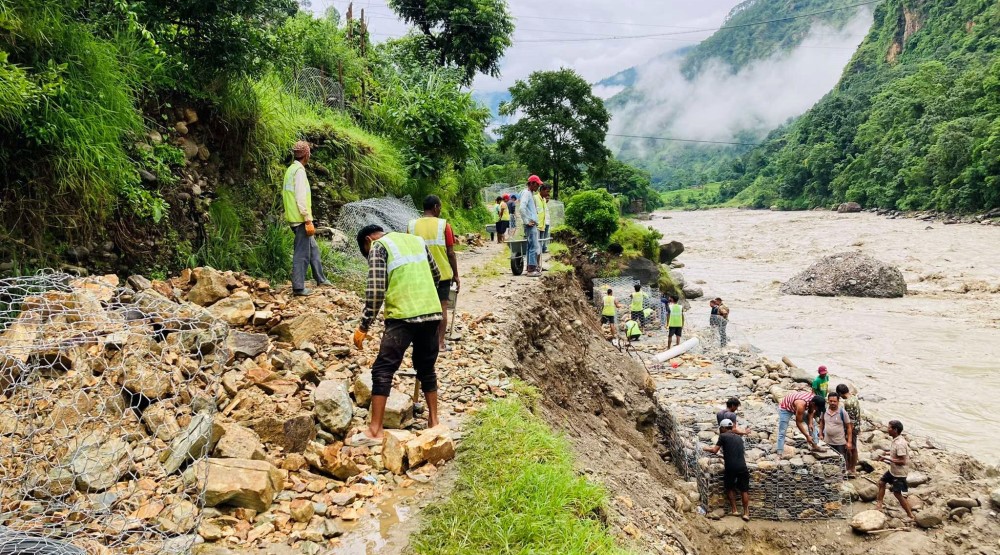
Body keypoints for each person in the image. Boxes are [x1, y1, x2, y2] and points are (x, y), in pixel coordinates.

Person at [350, 225, 442, 446]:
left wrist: (364, 326)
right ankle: (434, 422)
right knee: (426, 367)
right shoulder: (416, 240)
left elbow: (375, 292)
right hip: (431, 311)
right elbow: (436, 275)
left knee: (383, 368)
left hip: (403, 315)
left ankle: (375, 430)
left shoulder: (378, 247)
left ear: (368, 240)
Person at [407, 195, 460, 351]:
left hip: (420, 274)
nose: (440, 210)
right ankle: (440, 343)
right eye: (440, 207)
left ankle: (421, 343)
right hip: (442, 274)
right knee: (442, 308)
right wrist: (456, 275)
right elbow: (451, 253)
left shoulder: (411, 225)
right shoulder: (444, 225)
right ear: (436, 207)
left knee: (421, 308)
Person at [282, 141, 329, 296]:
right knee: (302, 254)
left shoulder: (291, 169)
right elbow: (301, 198)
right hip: (300, 219)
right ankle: (298, 287)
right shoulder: (300, 172)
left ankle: (321, 279)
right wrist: (308, 219)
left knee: (313, 248)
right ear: (307, 155)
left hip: (294, 217)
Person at [703, 419, 751, 521]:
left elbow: (715, 450)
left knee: (729, 487)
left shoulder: (723, 436)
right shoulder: (739, 438)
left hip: (730, 467)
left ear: (724, 428)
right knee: (744, 490)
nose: (720, 430)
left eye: (721, 428)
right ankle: (746, 513)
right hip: (742, 466)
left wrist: (705, 448)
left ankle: (734, 510)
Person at [875, 420, 915, 520]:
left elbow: (902, 461)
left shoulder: (900, 443)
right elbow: (895, 453)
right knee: (881, 482)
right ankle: (879, 504)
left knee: (897, 494)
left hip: (899, 473)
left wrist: (886, 458)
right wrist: (886, 453)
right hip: (893, 470)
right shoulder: (896, 440)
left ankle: (910, 514)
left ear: (895, 430)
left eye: (889, 428)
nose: (887, 429)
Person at [519, 176, 543, 277]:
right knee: (533, 246)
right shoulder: (526, 193)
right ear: (532, 183)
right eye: (537, 185)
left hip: (531, 223)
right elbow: (522, 208)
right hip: (530, 224)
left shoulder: (529, 193)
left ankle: (530, 267)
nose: (538, 187)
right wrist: (527, 221)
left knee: (530, 246)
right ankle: (531, 270)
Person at [819, 392, 853, 462]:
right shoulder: (824, 411)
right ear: (828, 401)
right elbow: (822, 422)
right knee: (829, 461)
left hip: (840, 443)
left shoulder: (842, 412)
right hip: (827, 442)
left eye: (834, 401)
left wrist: (849, 442)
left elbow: (849, 427)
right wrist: (820, 434)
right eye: (831, 401)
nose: (832, 403)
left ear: (838, 401)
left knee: (841, 461)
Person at [837, 384, 862, 476]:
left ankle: (851, 468)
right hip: (857, 426)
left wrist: (848, 434)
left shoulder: (848, 403)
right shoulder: (854, 398)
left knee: (851, 448)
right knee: (854, 448)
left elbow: (850, 420)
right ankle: (852, 467)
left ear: (840, 393)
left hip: (852, 428)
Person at [539, 184, 552, 254]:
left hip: (546, 222)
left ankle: (544, 248)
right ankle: (541, 249)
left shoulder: (545, 204)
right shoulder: (539, 200)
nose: (547, 199)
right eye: (546, 198)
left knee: (545, 236)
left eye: (548, 198)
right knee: (541, 237)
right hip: (542, 223)